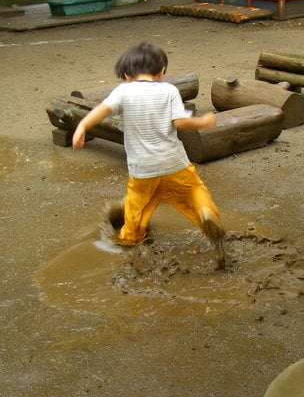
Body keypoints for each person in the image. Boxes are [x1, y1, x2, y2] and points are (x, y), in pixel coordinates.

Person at [72, 42, 226, 268]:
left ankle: (130, 238)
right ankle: (205, 214)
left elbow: (103, 110)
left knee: (136, 208)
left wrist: (82, 126)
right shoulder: (169, 90)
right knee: (194, 191)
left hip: (144, 171)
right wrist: (203, 121)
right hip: (175, 165)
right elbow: (181, 122)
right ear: (162, 71)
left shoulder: (123, 91)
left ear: (126, 74)